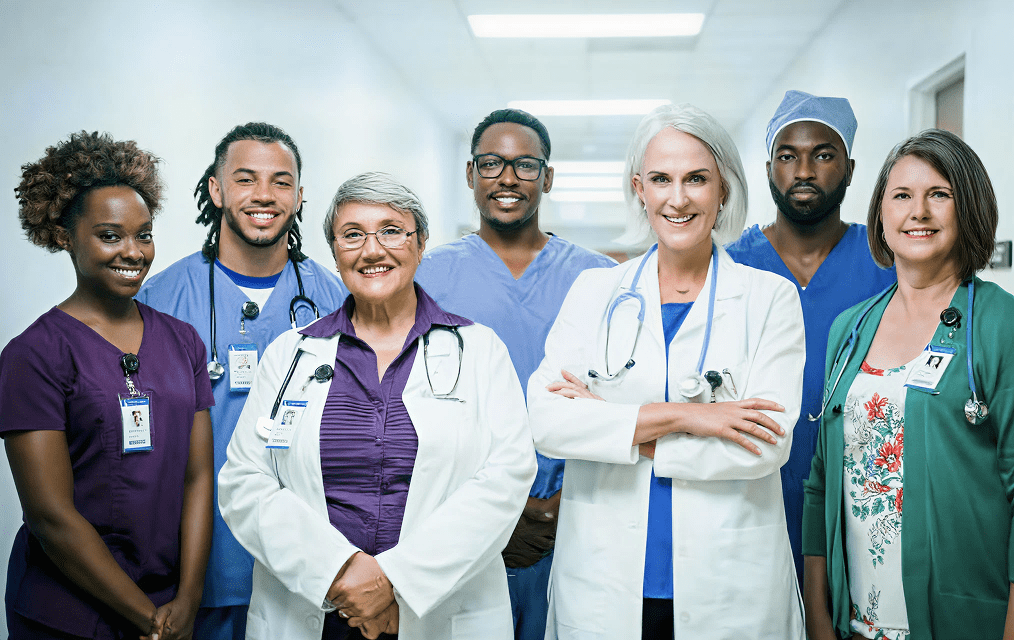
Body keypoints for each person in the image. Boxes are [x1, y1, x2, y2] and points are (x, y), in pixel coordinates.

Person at [527, 104, 806, 639]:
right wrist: (692, 417)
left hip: (729, 583)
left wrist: (615, 426)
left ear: (723, 189)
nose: (677, 198)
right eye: (660, 179)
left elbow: (766, 442)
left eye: (696, 179)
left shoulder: (769, 299)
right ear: (640, 189)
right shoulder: (594, 292)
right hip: (604, 580)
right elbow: (547, 421)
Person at [219, 172, 537, 639]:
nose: (372, 250)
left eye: (391, 231)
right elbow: (245, 480)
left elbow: (505, 477)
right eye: (352, 235)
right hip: (317, 610)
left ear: (421, 243)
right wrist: (340, 573)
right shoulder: (291, 354)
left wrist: (395, 583)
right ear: (335, 252)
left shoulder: (480, 350)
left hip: (436, 612)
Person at [136, 122, 348, 639]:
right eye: (246, 178)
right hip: (197, 569)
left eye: (281, 182)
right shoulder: (159, 301)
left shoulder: (338, 301)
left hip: (307, 561)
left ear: (300, 197)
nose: (264, 195)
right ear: (216, 189)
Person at [0, 131, 214, 639]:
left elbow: (198, 477)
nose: (134, 252)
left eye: (144, 234)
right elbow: (50, 516)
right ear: (64, 236)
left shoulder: (183, 341)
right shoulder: (33, 355)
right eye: (110, 235)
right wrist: (148, 620)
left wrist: (189, 598)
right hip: (68, 614)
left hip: (168, 602)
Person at [803, 129, 1014, 639]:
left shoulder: (998, 323)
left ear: (969, 207)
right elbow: (822, 479)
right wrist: (817, 616)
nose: (918, 212)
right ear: (880, 213)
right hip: (856, 623)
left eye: (939, 194)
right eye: (901, 195)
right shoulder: (850, 329)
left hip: (962, 621)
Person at [414, 108, 615, 638]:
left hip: (576, 515)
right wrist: (494, 512)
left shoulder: (601, 279)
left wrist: (563, 504)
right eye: (491, 163)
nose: (507, 178)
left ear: (547, 178)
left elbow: (621, 403)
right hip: (462, 522)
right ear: (470, 173)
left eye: (525, 165)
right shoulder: (426, 278)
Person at [725, 90, 896, 582]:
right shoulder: (731, 266)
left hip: (862, 491)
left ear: (849, 168)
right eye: (787, 156)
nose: (803, 171)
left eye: (823, 155)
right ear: (768, 169)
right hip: (751, 491)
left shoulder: (886, 262)